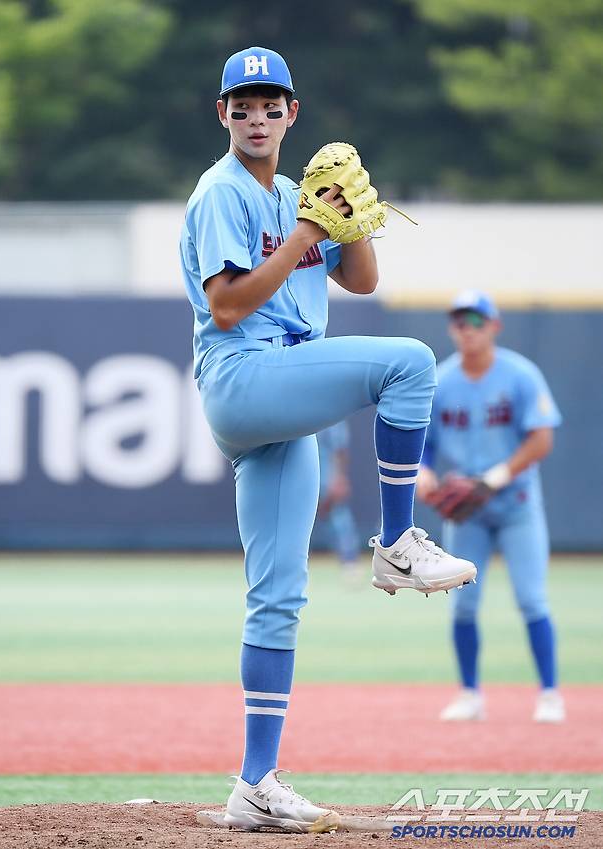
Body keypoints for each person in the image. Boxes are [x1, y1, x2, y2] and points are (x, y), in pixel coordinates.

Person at [179, 46, 476, 832]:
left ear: (292, 113)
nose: (256, 115)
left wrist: (354, 219)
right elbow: (234, 305)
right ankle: (397, 539)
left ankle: (255, 784)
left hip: (284, 399)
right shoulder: (221, 194)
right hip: (245, 375)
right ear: (223, 115)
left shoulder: (295, 190)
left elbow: (362, 280)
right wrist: (308, 226)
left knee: (277, 599)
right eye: (241, 103)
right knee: (410, 363)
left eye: (270, 102)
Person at [416, 290, 565, 723]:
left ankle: (551, 693)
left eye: (476, 320)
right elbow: (423, 444)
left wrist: (495, 478)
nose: (467, 329)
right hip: (469, 513)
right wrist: (423, 474)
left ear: (494, 326)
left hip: (516, 503)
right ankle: (469, 693)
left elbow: (542, 438)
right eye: (460, 321)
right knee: (462, 604)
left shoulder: (520, 375)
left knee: (532, 599)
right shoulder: (441, 381)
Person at [316, 421, 361, 577]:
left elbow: (340, 450)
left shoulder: (333, 417)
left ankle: (350, 562)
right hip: (304, 477)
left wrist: (339, 477)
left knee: (338, 516)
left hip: (327, 478)